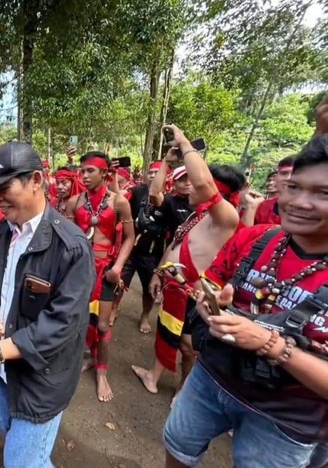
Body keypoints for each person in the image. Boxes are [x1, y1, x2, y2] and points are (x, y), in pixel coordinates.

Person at [164, 135, 328, 467]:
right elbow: (208, 284)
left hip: (286, 417)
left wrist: (269, 343)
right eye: (294, 187)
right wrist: (210, 304)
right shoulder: (257, 237)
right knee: (177, 447)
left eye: (322, 193)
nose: (299, 202)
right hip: (211, 378)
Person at [0, 141, 95, 468]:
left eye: (5, 187)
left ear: (36, 180)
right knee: (13, 437)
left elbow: (63, 325)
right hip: (7, 369)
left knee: (21, 463)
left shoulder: (71, 248)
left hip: (42, 378)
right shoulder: (4, 230)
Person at [131, 126, 245, 403]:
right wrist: (160, 271)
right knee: (168, 332)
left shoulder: (226, 217)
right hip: (173, 285)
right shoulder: (198, 215)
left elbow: (204, 185)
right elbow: (176, 245)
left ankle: (183, 389)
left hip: (196, 293)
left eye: (195, 183)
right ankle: (153, 377)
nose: (190, 186)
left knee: (188, 347)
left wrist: (183, 142)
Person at [67, 150, 135, 402]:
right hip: (82, 270)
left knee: (104, 324)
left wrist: (117, 267)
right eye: (82, 170)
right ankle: (87, 356)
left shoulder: (119, 202)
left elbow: (130, 238)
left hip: (106, 270)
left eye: (90, 171)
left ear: (105, 173)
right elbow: (71, 239)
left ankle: (102, 371)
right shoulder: (74, 202)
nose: (83, 175)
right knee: (83, 318)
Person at [114, 161, 168, 333]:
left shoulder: (171, 197)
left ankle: (145, 316)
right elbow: (118, 199)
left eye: (157, 172)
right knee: (119, 281)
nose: (153, 175)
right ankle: (114, 308)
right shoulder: (137, 191)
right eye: (150, 172)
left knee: (149, 288)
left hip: (153, 252)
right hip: (131, 248)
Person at [249, 156, 295, 226]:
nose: (288, 178)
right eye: (284, 173)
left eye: (294, 173)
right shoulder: (263, 207)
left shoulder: (314, 211)